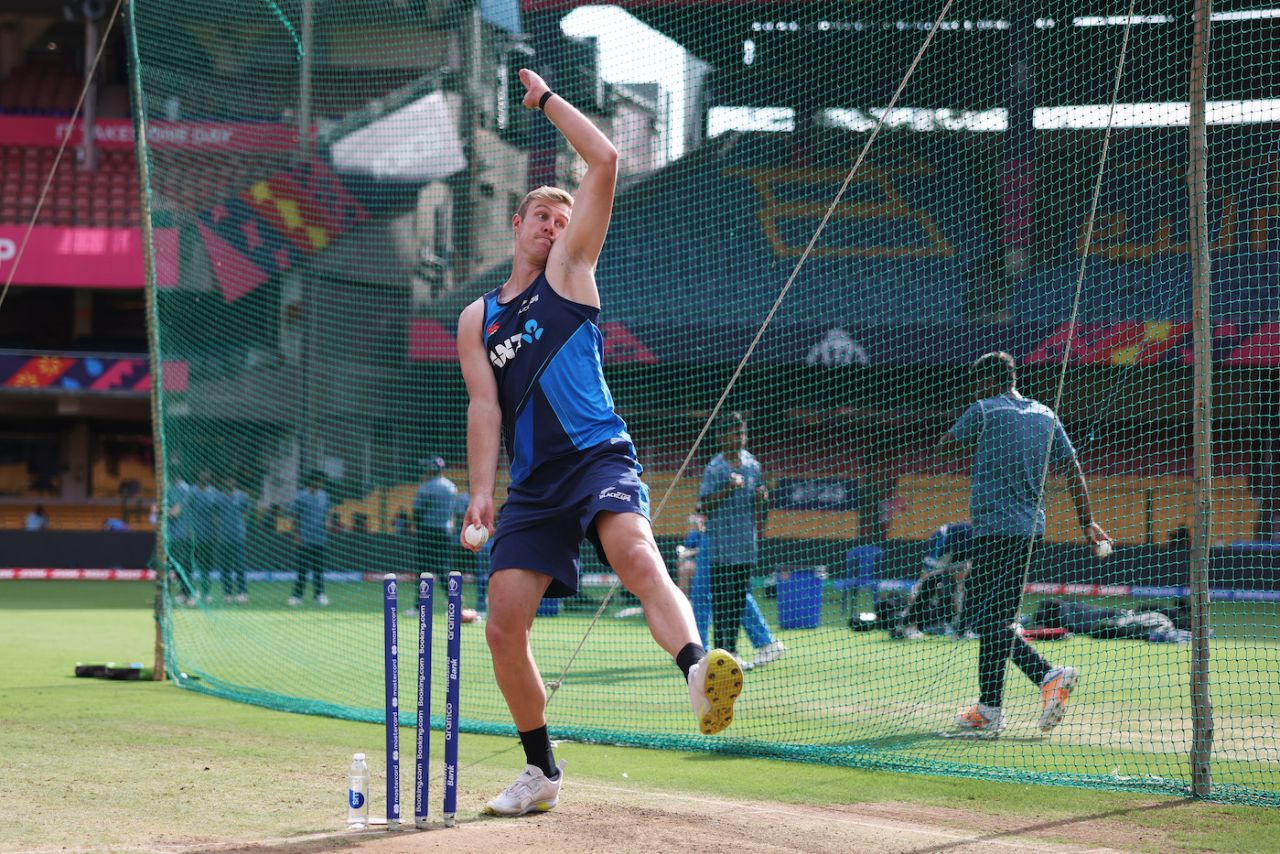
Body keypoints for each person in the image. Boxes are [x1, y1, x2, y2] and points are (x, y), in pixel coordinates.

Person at [455, 68, 742, 818]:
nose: (555, 226)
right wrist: (482, 493)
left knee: (637, 555)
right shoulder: (477, 318)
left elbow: (606, 162)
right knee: (503, 623)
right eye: (541, 218)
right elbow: (484, 408)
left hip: (597, 457)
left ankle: (695, 670)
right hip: (535, 484)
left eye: (563, 216)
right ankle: (540, 771)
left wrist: (546, 101)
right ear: (515, 228)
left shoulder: (571, 276)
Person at [939, 351, 1110, 734]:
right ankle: (989, 711)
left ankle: (1047, 674)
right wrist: (1088, 523)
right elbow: (1073, 470)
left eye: (975, 383)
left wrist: (979, 437)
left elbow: (945, 446)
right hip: (1029, 531)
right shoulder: (1046, 415)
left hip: (992, 531)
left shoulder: (983, 410)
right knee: (998, 620)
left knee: (985, 619)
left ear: (984, 381)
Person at [697, 412, 782, 668]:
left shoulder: (752, 465)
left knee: (737, 600)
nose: (741, 438)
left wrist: (762, 498)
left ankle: (731, 653)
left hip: (745, 546)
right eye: (735, 433)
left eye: (743, 432)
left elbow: (762, 509)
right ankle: (723, 654)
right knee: (722, 602)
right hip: (721, 546)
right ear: (722, 437)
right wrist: (729, 489)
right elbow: (703, 505)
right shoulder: (715, 468)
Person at [891, 522, 973, 640]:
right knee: (929, 584)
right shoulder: (944, 538)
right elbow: (928, 574)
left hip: (962, 551)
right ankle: (905, 624)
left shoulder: (979, 538)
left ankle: (961, 628)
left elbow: (967, 569)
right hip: (946, 544)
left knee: (969, 586)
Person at [288, 471, 330, 606]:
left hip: (319, 538)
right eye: (318, 481)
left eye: (321, 482)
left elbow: (328, 512)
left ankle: (319, 595)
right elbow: (295, 517)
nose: (320, 484)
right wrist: (296, 536)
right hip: (304, 538)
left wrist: (327, 523)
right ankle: (297, 596)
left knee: (319, 569)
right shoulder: (301, 496)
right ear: (311, 482)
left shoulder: (324, 496)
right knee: (302, 569)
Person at [413, 456, 459, 578]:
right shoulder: (452, 487)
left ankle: (422, 595)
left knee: (424, 566)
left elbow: (417, 510)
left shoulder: (426, 487)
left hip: (428, 530)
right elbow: (455, 511)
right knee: (443, 565)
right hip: (445, 530)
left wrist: (418, 527)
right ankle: (451, 594)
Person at [219, 475, 250, 603]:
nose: (230, 482)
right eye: (227, 479)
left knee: (240, 566)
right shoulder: (219, 497)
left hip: (238, 537)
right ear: (224, 481)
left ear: (235, 481)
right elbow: (215, 515)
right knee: (225, 567)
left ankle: (242, 592)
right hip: (224, 537)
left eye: (231, 479)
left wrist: (241, 527)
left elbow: (247, 513)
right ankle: (227, 593)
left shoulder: (243, 496)